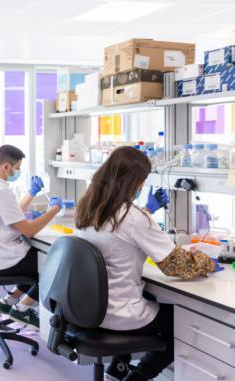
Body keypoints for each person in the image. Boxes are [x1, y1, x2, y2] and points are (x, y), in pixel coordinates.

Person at [75, 146, 219, 381]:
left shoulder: (89, 208)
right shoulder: (133, 218)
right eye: (141, 180)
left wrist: (148, 211)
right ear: (132, 182)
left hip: (90, 308)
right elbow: (177, 266)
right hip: (118, 313)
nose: (142, 186)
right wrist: (208, 261)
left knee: (151, 298)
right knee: (182, 323)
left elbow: (119, 232)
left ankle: (117, 370)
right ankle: (138, 377)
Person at [0, 144, 62, 328]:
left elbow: (13, 214)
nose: (18, 171)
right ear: (6, 166)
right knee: (55, 266)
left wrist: (31, 193)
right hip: (1, 259)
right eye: (18, 168)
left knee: (36, 257)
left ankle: (10, 301)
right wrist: (54, 210)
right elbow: (28, 231)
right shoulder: (0, 190)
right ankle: (22, 309)